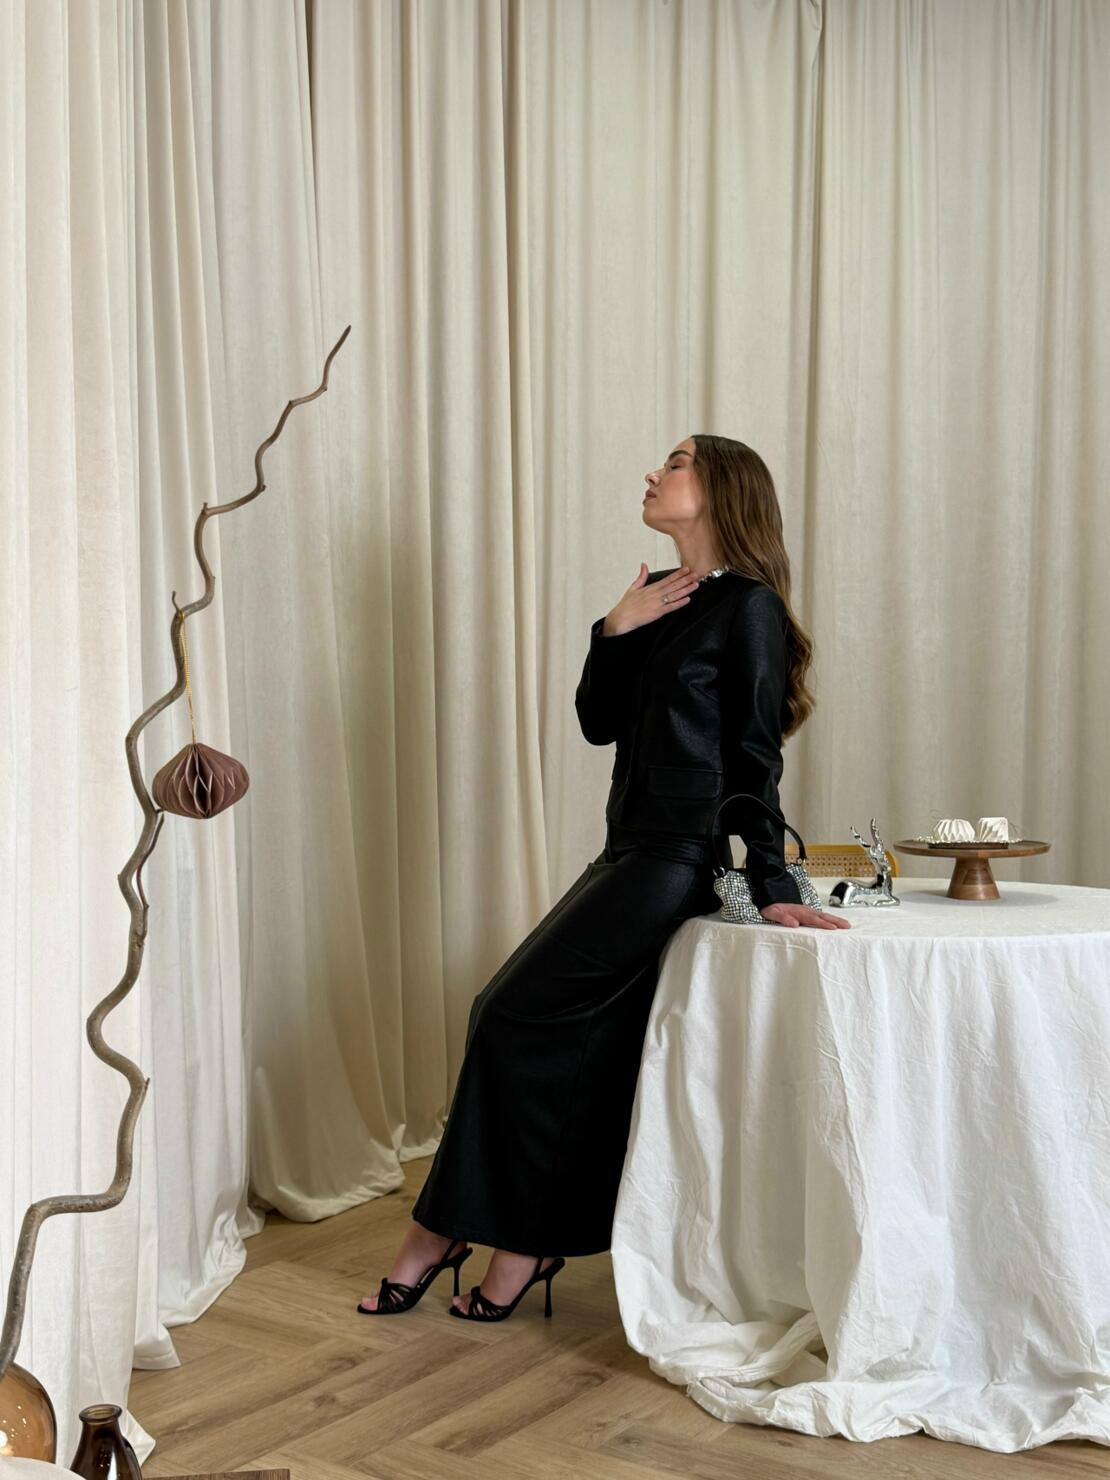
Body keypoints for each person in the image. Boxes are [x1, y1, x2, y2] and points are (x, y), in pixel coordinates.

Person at [356, 433, 850, 1323]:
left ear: (722, 488)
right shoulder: (666, 597)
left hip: (674, 861)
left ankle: (440, 1234)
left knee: (504, 1012)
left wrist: (774, 882)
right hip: (627, 851)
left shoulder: (750, 609)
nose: (655, 472)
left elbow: (753, 756)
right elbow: (597, 722)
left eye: (677, 462)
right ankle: (522, 1244)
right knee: (571, 1050)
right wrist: (615, 630)